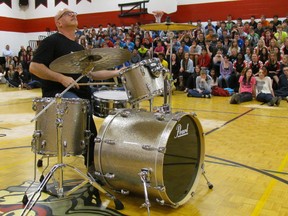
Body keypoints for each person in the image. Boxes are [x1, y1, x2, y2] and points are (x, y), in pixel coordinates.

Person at [29, 8, 122, 174]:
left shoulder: (78, 47)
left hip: (81, 95)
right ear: (58, 22)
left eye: (74, 13)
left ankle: (102, 155)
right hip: (60, 94)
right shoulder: (52, 41)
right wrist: (61, 78)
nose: (73, 15)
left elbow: (92, 73)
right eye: (67, 13)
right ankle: (92, 163)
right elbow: (34, 67)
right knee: (81, 109)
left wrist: (117, 72)